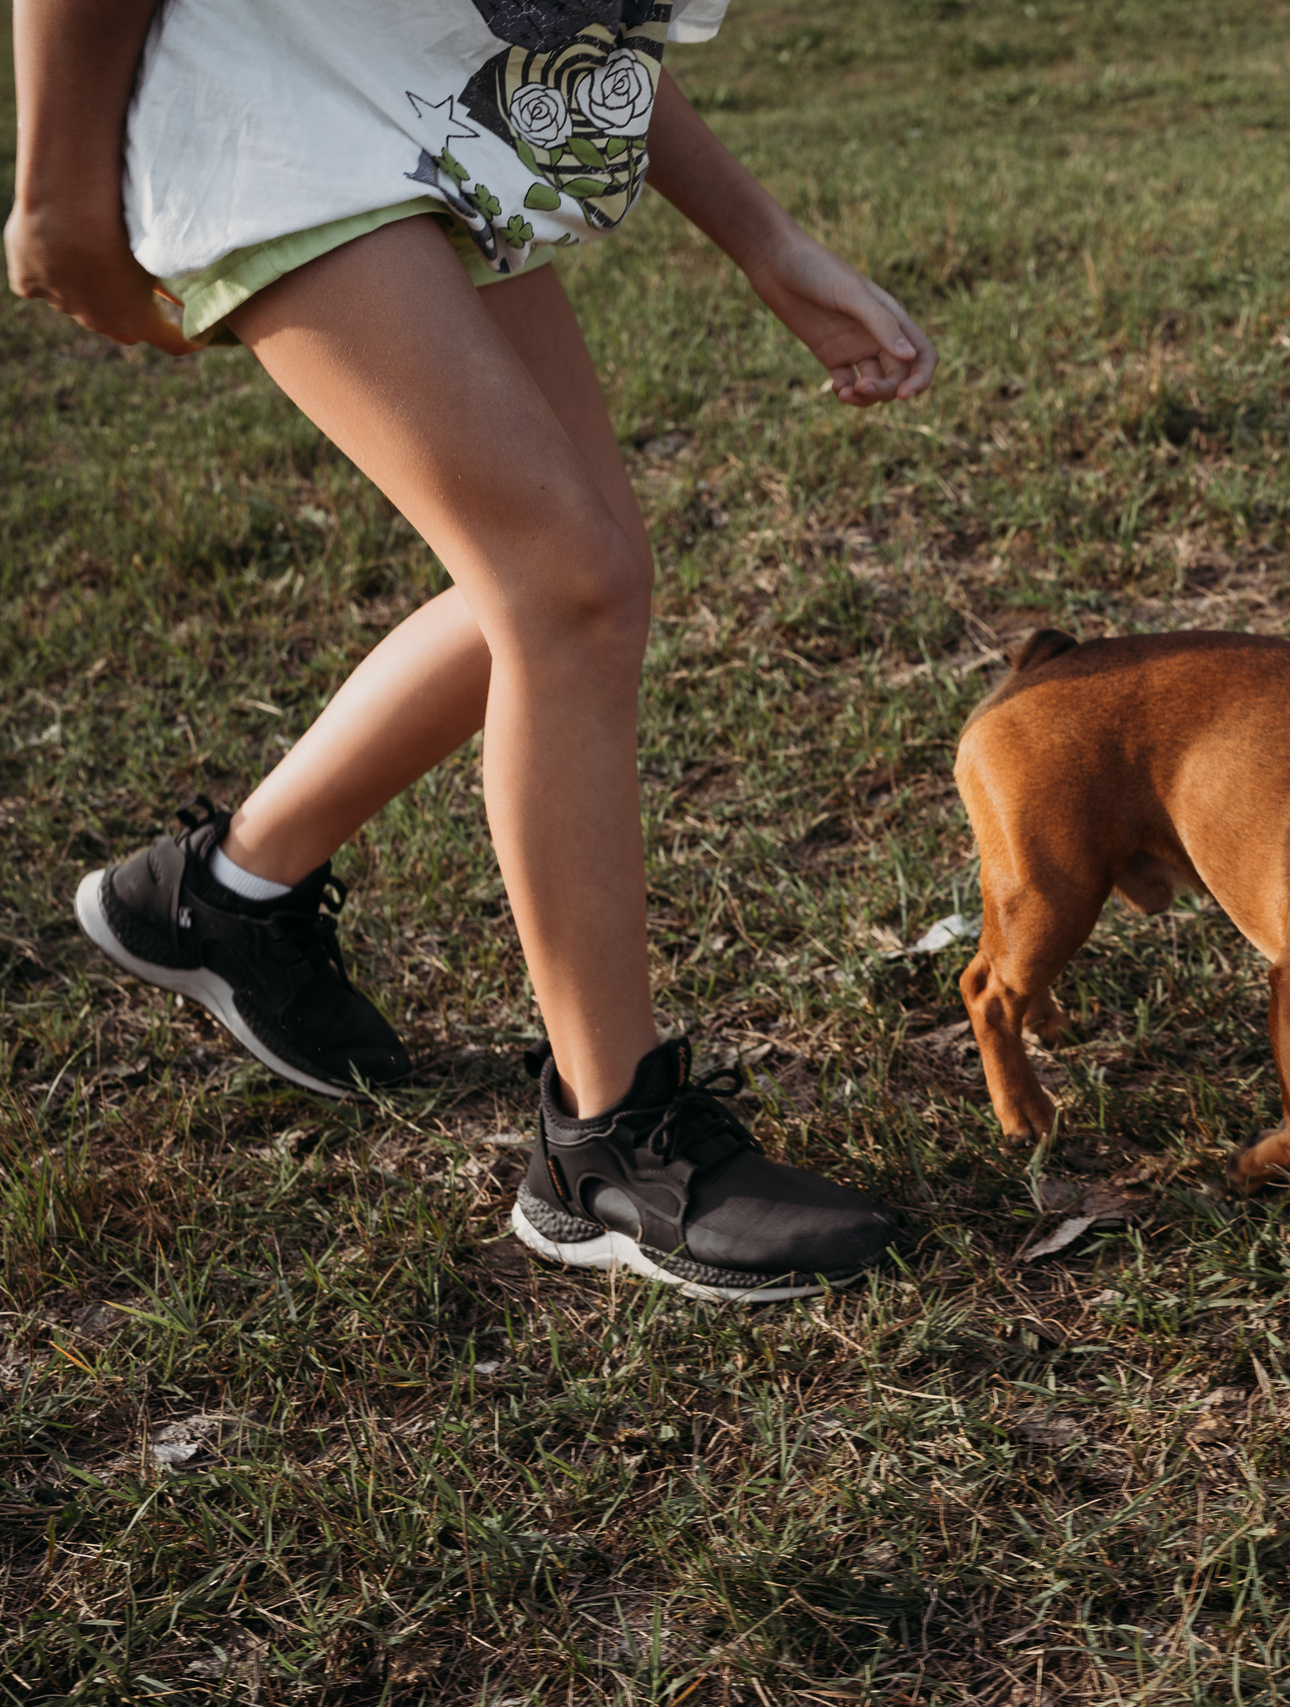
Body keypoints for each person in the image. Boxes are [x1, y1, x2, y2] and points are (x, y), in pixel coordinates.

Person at [7, 0, 934, 1303]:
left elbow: (573, 20)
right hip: (279, 107)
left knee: (575, 581)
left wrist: (768, 243)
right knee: (570, 586)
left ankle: (224, 894)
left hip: (429, 111)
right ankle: (607, 1145)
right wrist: (53, 188)